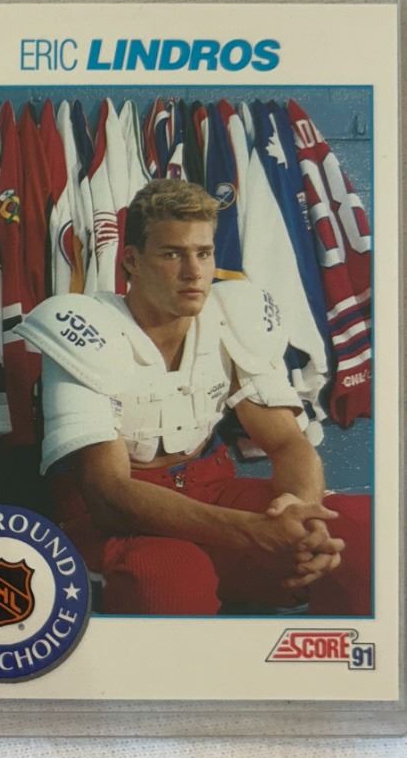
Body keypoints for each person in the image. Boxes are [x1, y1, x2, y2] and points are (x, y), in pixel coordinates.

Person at [19, 180, 371, 616]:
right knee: (170, 582)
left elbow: (287, 443)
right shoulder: (87, 327)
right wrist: (252, 531)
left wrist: (303, 516)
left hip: (209, 489)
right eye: (172, 254)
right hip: (123, 516)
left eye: (203, 253)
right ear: (131, 261)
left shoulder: (230, 315)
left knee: (358, 529)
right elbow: (108, 493)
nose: (194, 272)